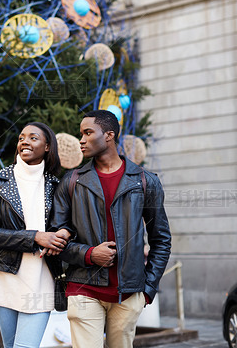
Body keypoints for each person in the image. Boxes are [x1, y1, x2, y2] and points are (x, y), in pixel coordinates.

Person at [48, 110, 171, 348]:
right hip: (82, 287)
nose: (81, 140)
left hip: (128, 293)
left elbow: (161, 238)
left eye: (87, 132)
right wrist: (89, 254)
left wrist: (147, 289)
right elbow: (56, 238)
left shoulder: (145, 181)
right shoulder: (72, 181)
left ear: (109, 136)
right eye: (80, 133)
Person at [0, 122, 70, 348]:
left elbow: (68, 224)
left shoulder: (58, 185)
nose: (24, 141)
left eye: (33, 138)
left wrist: (64, 233)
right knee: (10, 345)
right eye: (21, 138)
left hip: (42, 276)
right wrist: (35, 237)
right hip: (4, 274)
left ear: (47, 146)